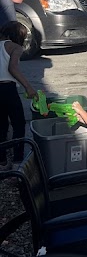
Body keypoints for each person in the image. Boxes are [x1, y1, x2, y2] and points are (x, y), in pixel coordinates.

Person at [0, 22, 36, 167]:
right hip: (7, 88)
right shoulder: (15, 47)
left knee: (1, 126)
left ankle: (2, 161)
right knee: (18, 124)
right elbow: (13, 68)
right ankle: (17, 160)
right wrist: (28, 87)